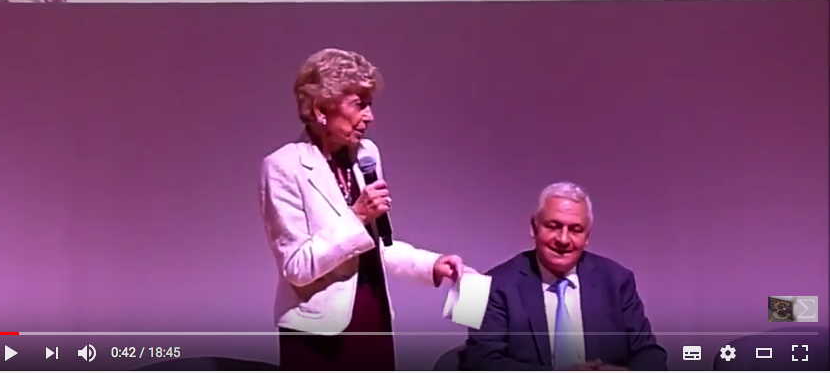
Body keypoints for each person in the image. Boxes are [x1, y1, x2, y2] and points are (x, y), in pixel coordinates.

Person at [259, 48, 467, 370]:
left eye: (370, 104)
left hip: (372, 317)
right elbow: (297, 267)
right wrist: (356, 216)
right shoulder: (283, 166)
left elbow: (377, 246)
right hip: (317, 334)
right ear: (321, 109)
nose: (370, 116)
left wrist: (432, 265)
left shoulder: (366, 154)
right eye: (359, 104)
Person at [462, 182, 666, 370]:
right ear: (534, 227)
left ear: (587, 237)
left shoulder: (617, 281)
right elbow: (480, 361)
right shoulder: (492, 285)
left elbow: (650, 354)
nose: (563, 239)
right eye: (553, 226)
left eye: (576, 230)